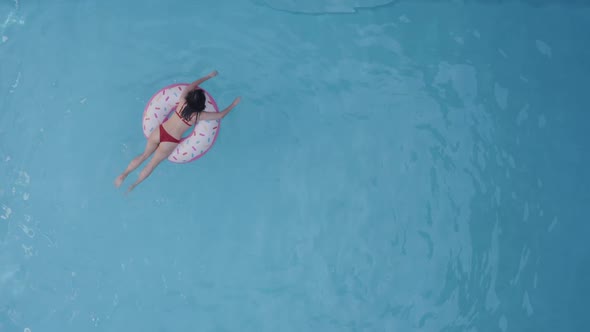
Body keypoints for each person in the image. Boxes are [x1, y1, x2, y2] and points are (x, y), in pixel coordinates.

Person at [114, 70, 240, 192]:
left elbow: (193, 85)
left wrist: (208, 76)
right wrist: (233, 104)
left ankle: (123, 174)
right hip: (170, 141)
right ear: (200, 106)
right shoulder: (198, 115)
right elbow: (220, 115)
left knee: (144, 155)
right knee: (151, 165)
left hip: (160, 131)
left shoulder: (182, 100)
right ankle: (133, 185)